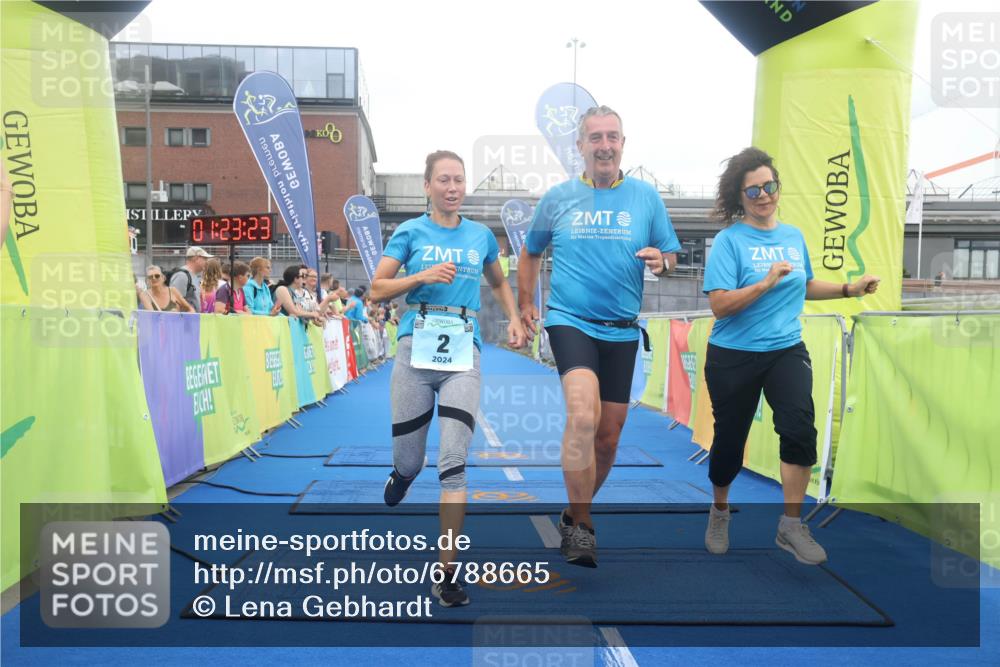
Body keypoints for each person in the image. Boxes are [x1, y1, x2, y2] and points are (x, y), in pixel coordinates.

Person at [518, 106, 681, 568]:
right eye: (595, 138)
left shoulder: (646, 198)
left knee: (608, 438)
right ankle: (584, 528)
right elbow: (529, 253)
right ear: (580, 147)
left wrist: (663, 262)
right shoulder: (559, 198)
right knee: (583, 414)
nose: (604, 146)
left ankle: (573, 513)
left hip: (622, 330)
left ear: (623, 144)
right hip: (571, 320)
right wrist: (527, 303)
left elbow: (671, 254)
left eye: (612, 137)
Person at [701, 147, 880, 565]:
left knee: (799, 428)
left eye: (769, 186)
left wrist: (849, 289)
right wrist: (764, 283)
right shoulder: (729, 241)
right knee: (729, 442)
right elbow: (720, 305)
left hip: (785, 349)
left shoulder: (793, 236)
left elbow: (804, 284)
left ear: (778, 188)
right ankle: (720, 510)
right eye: (753, 190)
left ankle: (791, 525)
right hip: (734, 354)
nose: (763, 195)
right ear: (739, 196)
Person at [371, 149, 526, 607]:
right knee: (411, 459)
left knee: (454, 463)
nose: (453, 187)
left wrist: (515, 317)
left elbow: (498, 281)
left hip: (463, 348)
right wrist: (420, 276)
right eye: (444, 180)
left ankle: (447, 573)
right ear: (427, 186)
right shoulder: (409, 231)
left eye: (459, 179)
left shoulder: (480, 235)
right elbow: (377, 288)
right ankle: (403, 474)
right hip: (414, 349)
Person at [170, 246, 212, 310]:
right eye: (205, 258)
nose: (207, 262)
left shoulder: (193, 275)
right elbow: (175, 301)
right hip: (184, 316)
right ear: (196, 258)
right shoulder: (182, 275)